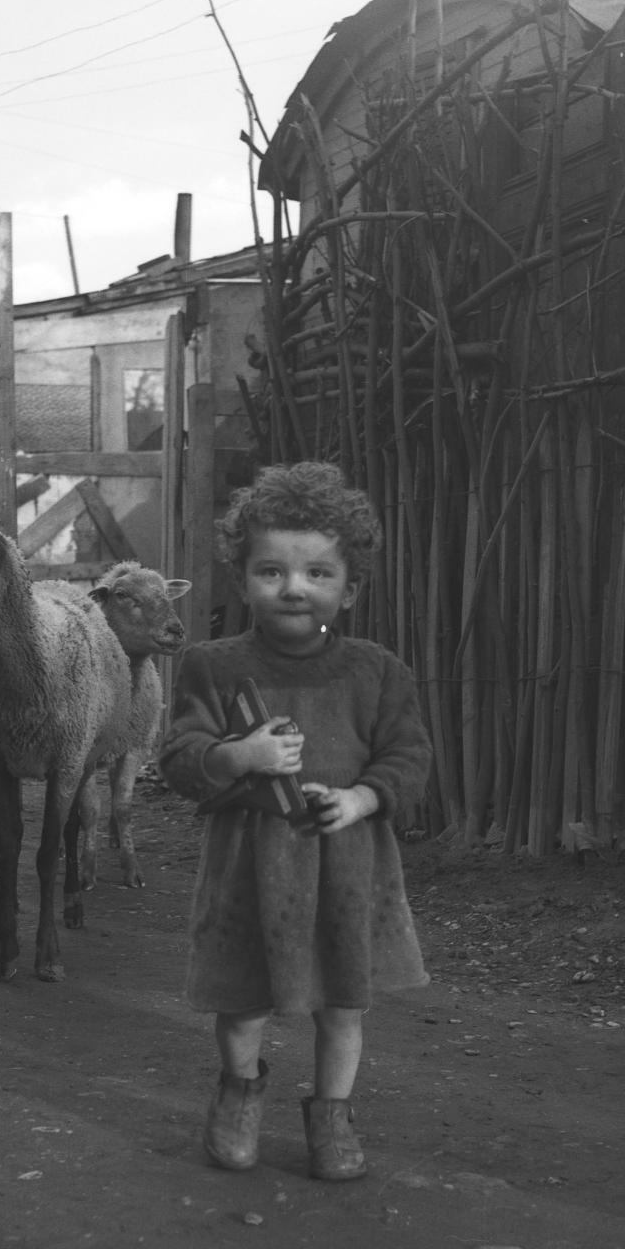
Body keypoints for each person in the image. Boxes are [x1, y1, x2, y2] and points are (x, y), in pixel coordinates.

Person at [158, 461, 432, 1180]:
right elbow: (180, 759)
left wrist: (361, 800)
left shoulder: (376, 672)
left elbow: (408, 757)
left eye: (318, 573)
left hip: (347, 867)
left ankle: (333, 1116)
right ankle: (240, 1093)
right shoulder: (210, 668)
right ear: (243, 576)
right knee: (244, 1003)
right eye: (271, 571)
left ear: (349, 589)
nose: (294, 587)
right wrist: (239, 754)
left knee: (342, 1004)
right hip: (250, 866)